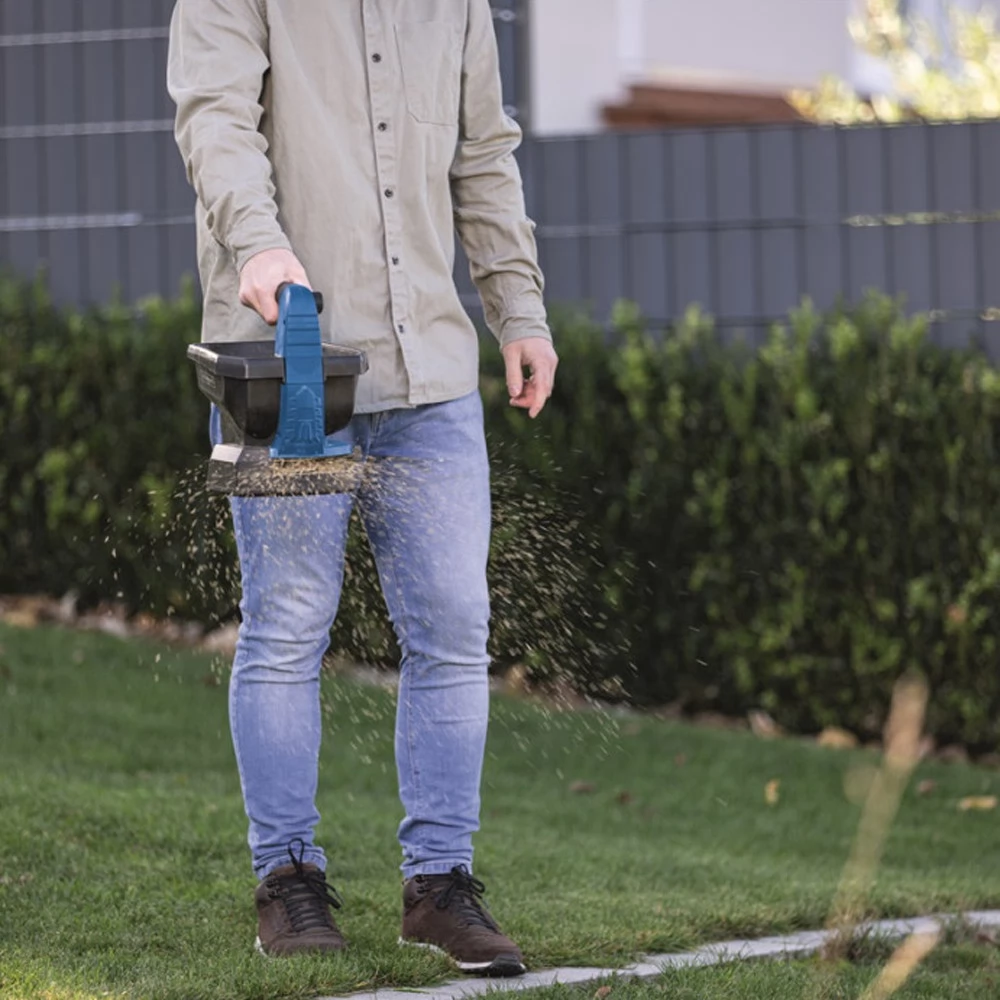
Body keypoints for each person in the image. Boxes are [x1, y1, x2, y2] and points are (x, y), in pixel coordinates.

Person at [167, 0, 557, 977]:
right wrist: (258, 241)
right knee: (289, 621)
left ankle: (439, 884)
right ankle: (287, 876)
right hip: (288, 363)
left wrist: (518, 309)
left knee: (453, 625)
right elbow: (214, 119)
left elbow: (484, 157)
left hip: (429, 372)